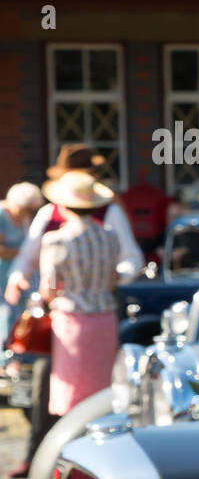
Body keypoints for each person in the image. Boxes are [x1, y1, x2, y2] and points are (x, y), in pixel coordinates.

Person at [3, 144, 142, 307]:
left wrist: (116, 277)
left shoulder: (111, 213)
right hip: (64, 306)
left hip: (99, 303)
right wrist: (17, 277)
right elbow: (29, 255)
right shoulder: (48, 213)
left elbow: (131, 257)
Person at [37, 171, 121, 420]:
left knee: (72, 396)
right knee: (101, 392)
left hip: (73, 320)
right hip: (105, 319)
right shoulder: (109, 236)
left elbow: (48, 287)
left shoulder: (57, 240)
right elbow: (114, 279)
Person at [0, 182, 44, 338]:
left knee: (23, 313)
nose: (27, 213)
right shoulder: (1, 215)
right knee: (5, 313)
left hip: (20, 273)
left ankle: (19, 353)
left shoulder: (25, 218)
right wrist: (24, 254)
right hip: (2, 273)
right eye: (25, 209)